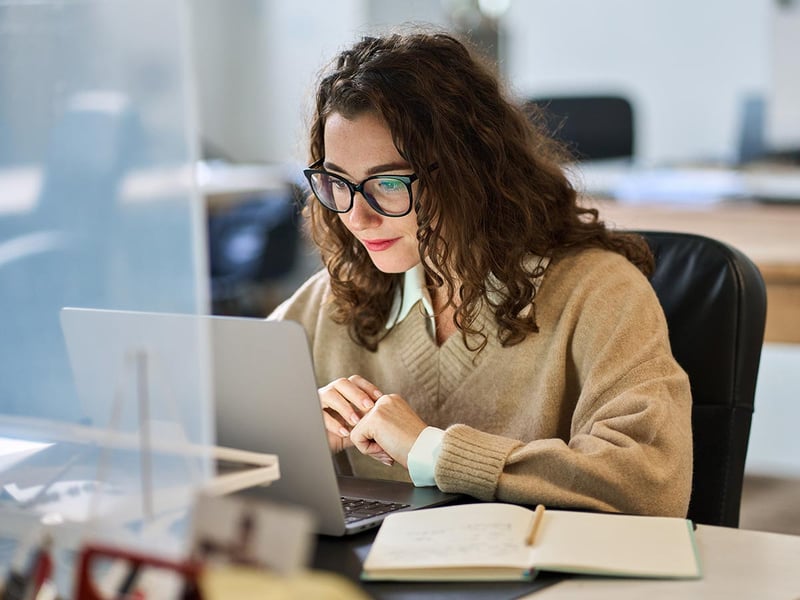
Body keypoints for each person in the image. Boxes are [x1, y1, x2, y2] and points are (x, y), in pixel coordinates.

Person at [269, 30, 692, 517]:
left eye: (387, 183)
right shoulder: (331, 298)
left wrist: (433, 451)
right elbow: (209, 447)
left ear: (470, 172)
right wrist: (291, 438)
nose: (358, 218)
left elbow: (650, 486)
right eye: (337, 182)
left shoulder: (599, 293)